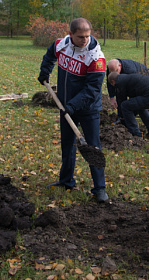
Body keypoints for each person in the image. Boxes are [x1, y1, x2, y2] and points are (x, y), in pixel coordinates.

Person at [37, 18, 108, 203]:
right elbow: (49, 54)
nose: (85, 40)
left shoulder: (96, 58)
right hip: (66, 106)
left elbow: (93, 90)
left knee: (92, 147)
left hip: (88, 109)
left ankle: (100, 188)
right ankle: (66, 180)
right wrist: (45, 70)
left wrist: (72, 106)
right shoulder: (62, 44)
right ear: (71, 35)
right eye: (80, 36)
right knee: (67, 145)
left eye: (87, 36)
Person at [107, 71, 149, 138]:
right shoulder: (128, 78)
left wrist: (122, 118)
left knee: (125, 105)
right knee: (139, 106)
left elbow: (121, 100)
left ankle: (136, 135)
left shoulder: (119, 83)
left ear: (113, 81)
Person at [106, 59, 149, 123]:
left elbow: (134, 88)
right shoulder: (111, 69)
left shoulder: (130, 70)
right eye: (112, 72)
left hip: (142, 77)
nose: (115, 73)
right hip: (129, 79)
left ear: (120, 66)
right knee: (119, 94)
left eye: (116, 71)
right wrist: (112, 97)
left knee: (139, 100)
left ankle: (148, 118)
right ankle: (122, 118)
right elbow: (110, 83)